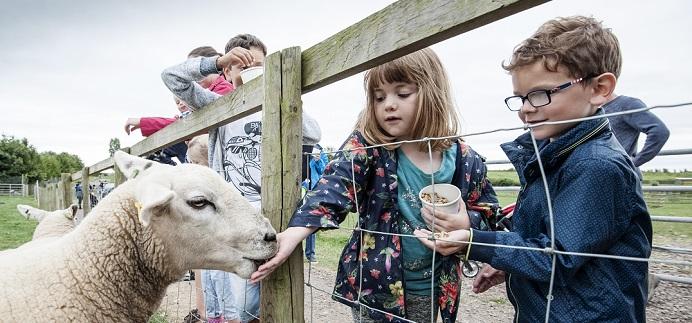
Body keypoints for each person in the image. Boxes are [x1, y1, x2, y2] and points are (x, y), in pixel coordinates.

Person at [414, 16, 652, 322]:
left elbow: (556, 257)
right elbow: (551, 242)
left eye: (540, 94)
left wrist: (474, 241)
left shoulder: (597, 166)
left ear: (599, 88)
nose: (526, 108)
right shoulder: (554, 157)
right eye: (521, 97)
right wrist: (508, 262)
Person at [251, 48, 500, 322]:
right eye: (379, 97)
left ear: (433, 93)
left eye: (402, 94)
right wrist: (295, 233)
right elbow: (334, 186)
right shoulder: (369, 147)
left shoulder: (465, 159)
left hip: (433, 287)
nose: (388, 104)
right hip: (375, 288)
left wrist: (467, 223)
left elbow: (488, 211)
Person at [161, 34, 321, 323]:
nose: (250, 71)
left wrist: (282, 91)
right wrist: (216, 61)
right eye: (241, 65)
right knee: (245, 298)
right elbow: (171, 78)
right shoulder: (216, 105)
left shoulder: (277, 104)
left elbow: (313, 134)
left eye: (258, 65)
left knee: (281, 287)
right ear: (227, 71)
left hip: (278, 206)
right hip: (236, 215)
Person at [124, 46, 233, 165]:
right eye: (191, 74)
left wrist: (144, 122)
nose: (195, 78)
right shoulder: (203, 94)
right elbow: (182, 121)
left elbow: (187, 122)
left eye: (198, 71)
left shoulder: (223, 90)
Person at [602, 93, 670, 174]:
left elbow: (659, 132)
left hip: (622, 177)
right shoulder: (593, 111)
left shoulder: (626, 104)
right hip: (601, 175)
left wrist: (633, 163)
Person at [303, 144, 329, 263]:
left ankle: (310, 254)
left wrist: (318, 160)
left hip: (312, 190)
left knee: (310, 220)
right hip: (295, 188)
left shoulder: (319, 150)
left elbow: (324, 171)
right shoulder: (293, 145)